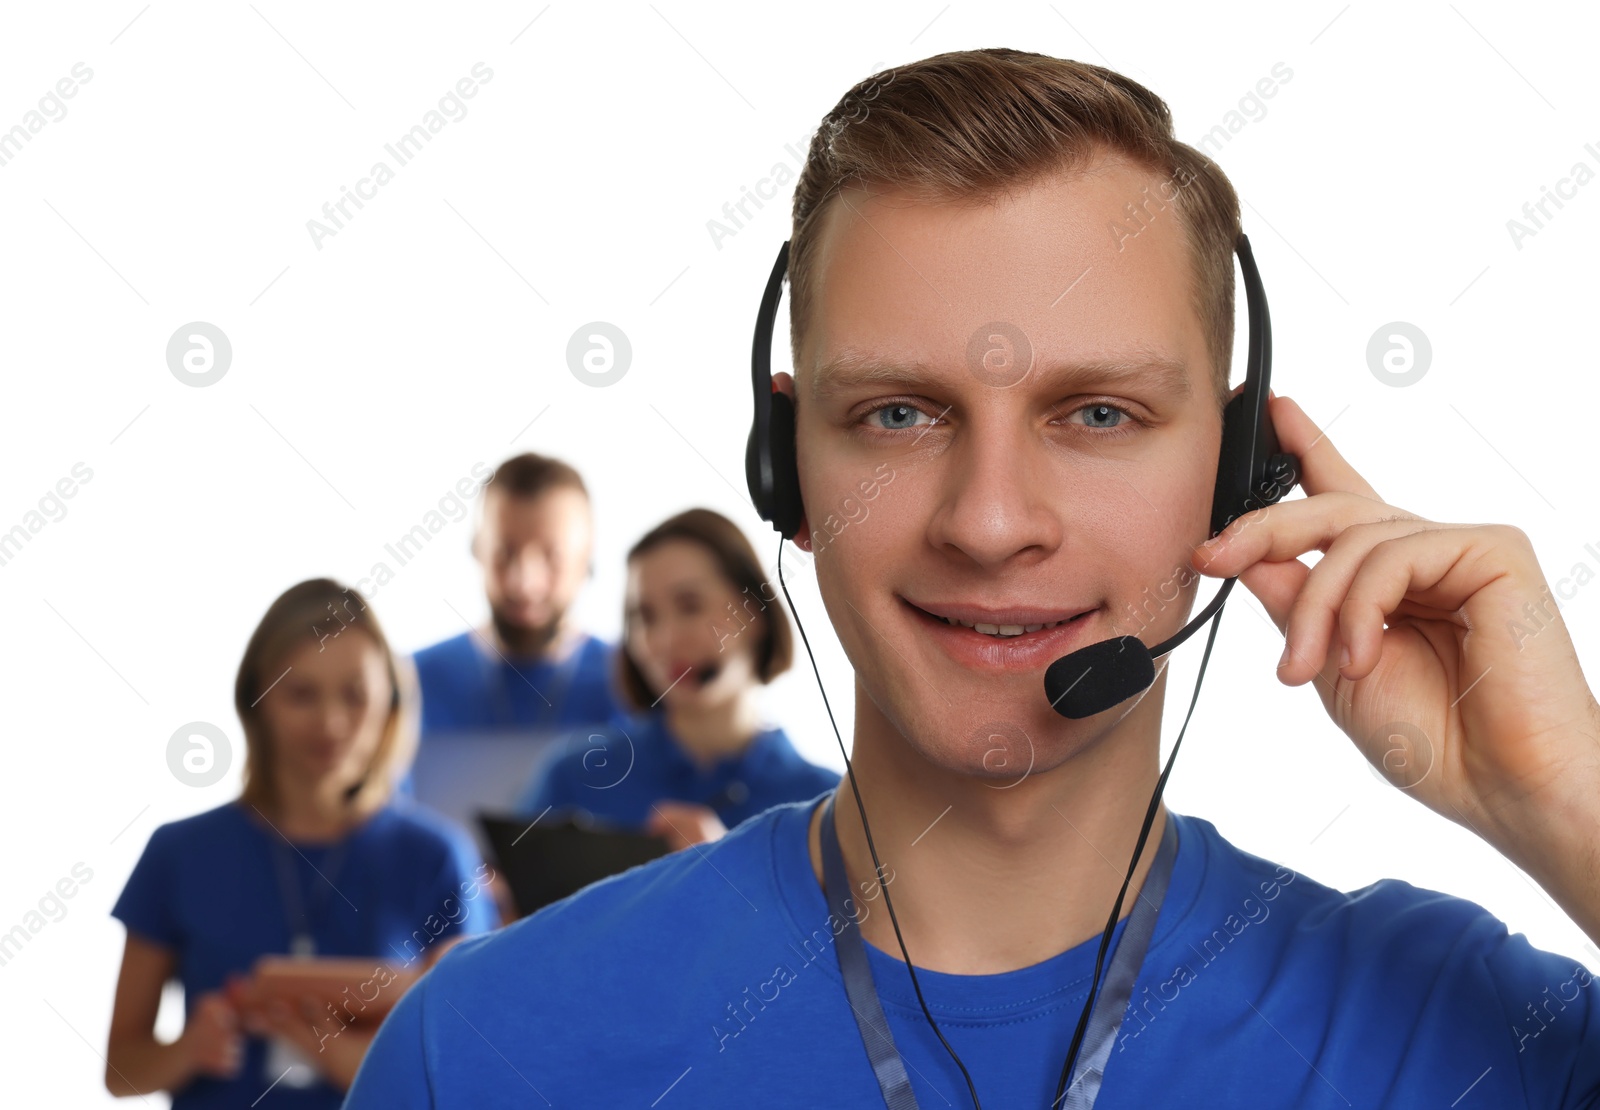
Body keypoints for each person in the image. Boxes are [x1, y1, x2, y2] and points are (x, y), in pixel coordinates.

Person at [344, 50, 1600, 1107]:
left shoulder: (1477, 1043)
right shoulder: (482, 1057)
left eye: (1097, 413)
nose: (990, 523)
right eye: (898, 414)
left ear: (1235, 473)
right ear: (786, 468)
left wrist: (1569, 804)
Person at [106, 579, 498, 1106]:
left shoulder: (439, 858)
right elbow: (120, 1069)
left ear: (391, 703)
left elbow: (471, 1067)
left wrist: (358, 1052)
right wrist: (187, 1050)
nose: (331, 723)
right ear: (257, 701)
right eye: (301, 693)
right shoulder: (178, 853)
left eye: (354, 695)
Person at [515, 507, 839, 852]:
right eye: (645, 616)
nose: (665, 640)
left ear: (755, 613)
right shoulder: (574, 780)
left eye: (690, 605)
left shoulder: (830, 807)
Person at [409, 453, 627, 740]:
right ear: (477, 550)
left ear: (585, 560)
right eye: (504, 553)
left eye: (552, 556)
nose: (524, 584)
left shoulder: (633, 686)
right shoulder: (409, 684)